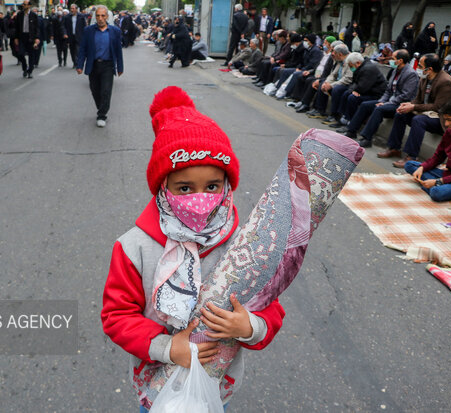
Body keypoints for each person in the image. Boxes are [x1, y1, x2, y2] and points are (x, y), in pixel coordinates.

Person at [101, 86, 285, 413]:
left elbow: (270, 306)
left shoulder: (244, 244)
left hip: (216, 385)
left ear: (227, 185)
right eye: (184, 188)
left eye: (212, 186)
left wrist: (250, 327)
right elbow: (117, 316)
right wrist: (169, 347)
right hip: (157, 384)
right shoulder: (134, 247)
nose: (200, 199)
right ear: (163, 187)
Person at [378, 54, 451, 168]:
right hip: (426, 113)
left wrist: (413, 107)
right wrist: (409, 104)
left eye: (420, 66)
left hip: (442, 118)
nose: (418, 68)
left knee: (418, 120)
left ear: (429, 69)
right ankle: (394, 148)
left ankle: (411, 157)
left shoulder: (446, 82)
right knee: (400, 113)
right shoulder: (424, 78)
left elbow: (437, 107)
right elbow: (419, 100)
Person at [405, 99, 451, 202]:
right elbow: (438, 156)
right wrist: (423, 167)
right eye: (445, 120)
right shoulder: (450, 131)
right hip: (448, 173)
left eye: (450, 120)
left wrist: (438, 182)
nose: (446, 124)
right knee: (410, 165)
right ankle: (435, 185)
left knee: (436, 192)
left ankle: (440, 188)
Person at [347, 49, 418, 146]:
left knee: (379, 109)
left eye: (393, 58)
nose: (390, 60)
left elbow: (406, 95)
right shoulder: (395, 70)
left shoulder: (411, 74)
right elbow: (388, 90)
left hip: (400, 104)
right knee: (365, 105)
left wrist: (386, 103)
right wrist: (382, 101)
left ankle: (367, 138)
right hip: (389, 101)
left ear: (400, 60)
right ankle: (351, 131)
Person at [76, 5, 123, 128]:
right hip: (93, 65)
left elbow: (118, 50)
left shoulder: (115, 31)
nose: (100, 18)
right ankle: (101, 107)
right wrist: (80, 65)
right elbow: (83, 50)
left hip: (108, 65)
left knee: (106, 91)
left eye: (103, 15)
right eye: (98, 16)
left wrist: (120, 67)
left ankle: (102, 115)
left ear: (107, 17)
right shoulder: (89, 31)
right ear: (95, 17)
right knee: (95, 91)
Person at [329, 52, 387, 128]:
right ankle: (342, 118)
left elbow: (363, 87)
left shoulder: (368, 69)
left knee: (352, 98)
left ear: (358, 63)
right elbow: (355, 83)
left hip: (375, 95)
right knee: (346, 93)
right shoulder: (361, 67)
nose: (351, 68)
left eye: (351, 66)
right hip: (366, 91)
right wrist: (353, 90)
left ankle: (350, 121)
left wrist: (355, 91)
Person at [306, 44, 352, 121]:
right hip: (338, 81)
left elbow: (347, 79)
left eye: (334, 53)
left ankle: (334, 115)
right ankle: (320, 110)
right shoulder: (339, 60)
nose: (332, 54)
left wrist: (331, 85)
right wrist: (327, 83)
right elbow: (333, 74)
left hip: (347, 84)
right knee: (323, 84)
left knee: (336, 89)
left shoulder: (350, 61)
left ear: (340, 54)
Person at [14, 0, 39, 78]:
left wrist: (37, 38)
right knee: (20, 54)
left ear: (29, 6)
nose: (23, 6)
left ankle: (30, 71)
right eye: (23, 4)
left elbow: (37, 28)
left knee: (31, 55)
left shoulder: (33, 15)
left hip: (30, 37)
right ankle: (25, 67)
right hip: (22, 37)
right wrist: (16, 37)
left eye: (25, 4)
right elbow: (16, 27)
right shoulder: (19, 15)